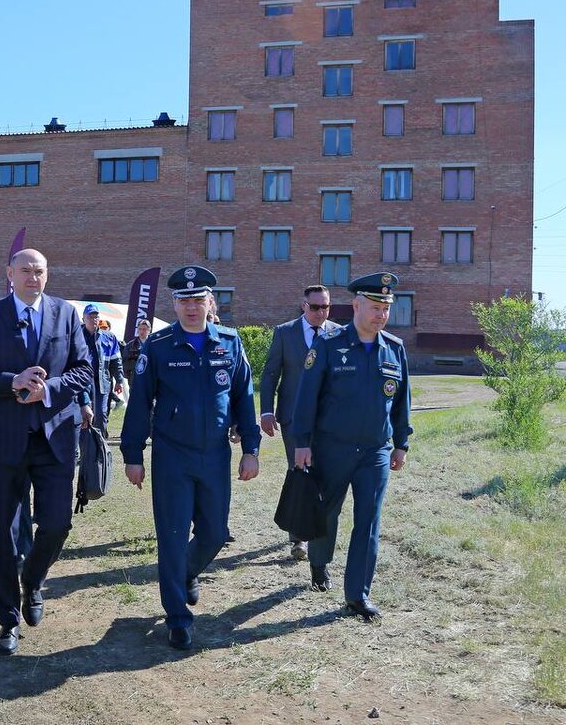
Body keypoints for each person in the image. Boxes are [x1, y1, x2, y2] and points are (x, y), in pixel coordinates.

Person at [120, 265, 261, 650]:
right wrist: (133, 454)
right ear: (174, 304)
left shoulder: (229, 344)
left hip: (214, 455)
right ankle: (177, 616)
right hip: (172, 458)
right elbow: (139, 405)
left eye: (198, 300)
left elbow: (244, 400)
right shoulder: (159, 346)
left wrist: (251, 448)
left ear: (210, 302)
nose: (192, 307)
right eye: (184, 300)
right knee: (172, 535)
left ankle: (184, 573)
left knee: (215, 533)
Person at [0, 248, 92, 656]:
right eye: (26, 271)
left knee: (56, 524)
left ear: (47, 275)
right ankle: (7, 620)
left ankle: (33, 580)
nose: (33, 277)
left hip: (53, 438)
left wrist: (48, 389)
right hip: (5, 441)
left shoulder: (66, 314)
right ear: (10, 274)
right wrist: (12, 380)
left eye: (39, 271)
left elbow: (84, 368)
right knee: (1, 533)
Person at [291, 273, 412, 621]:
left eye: (386, 309)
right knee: (327, 512)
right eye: (375, 307)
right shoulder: (329, 345)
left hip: (375, 451)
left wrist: (401, 443)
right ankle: (318, 562)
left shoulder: (395, 348)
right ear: (356, 305)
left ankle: (357, 595)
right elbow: (307, 398)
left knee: (368, 522)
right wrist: (302, 443)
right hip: (332, 448)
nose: (381, 315)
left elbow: (402, 401)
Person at [258, 284, 339, 561]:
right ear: (304, 306)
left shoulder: (339, 333)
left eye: (325, 307)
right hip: (293, 418)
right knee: (299, 471)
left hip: (328, 419)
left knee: (325, 474)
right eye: (315, 307)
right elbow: (270, 375)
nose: (320, 312)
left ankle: (320, 531)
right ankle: (299, 538)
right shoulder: (285, 333)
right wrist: (266, 411)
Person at [80, 304, 124, 436]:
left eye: (96, 316)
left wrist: (119, 380)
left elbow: (116, 360)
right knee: (84, 413)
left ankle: (100, 447)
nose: (94, 319)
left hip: (102, 382)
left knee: (100, 413)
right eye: (90, 316)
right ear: (83, 319)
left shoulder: (109, 337)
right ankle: (85, 449)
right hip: (82, 382)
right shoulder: (76, 336)